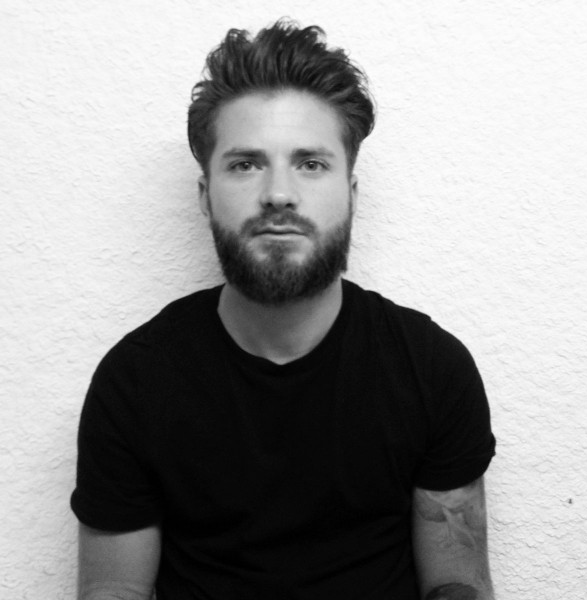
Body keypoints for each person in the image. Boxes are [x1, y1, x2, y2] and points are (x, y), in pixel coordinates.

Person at [71, 19, 496, 600]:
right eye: (245, 164)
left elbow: (456, 583)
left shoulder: (431, 370)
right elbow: (114, 589)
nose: (278, 194)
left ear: (351, 193)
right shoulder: (135, 382)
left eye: (311, 163)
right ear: (205, 196)